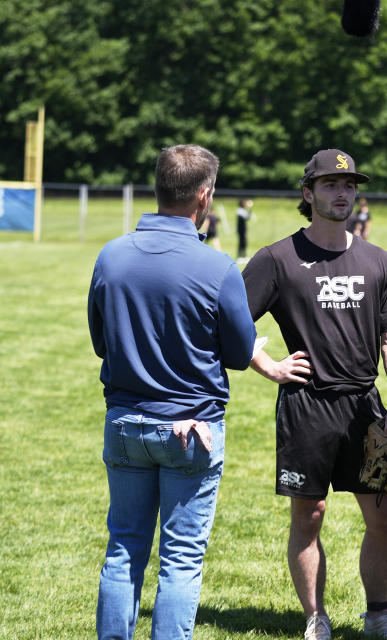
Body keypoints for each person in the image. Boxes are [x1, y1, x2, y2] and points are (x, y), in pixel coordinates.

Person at [241, 149, 387, 640]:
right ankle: (315, 618)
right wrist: (269, 365)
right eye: (330, 185)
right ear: (308, 193)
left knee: (384, 517)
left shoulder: (378, 261)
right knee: (310, 513)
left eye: (349, 185)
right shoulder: (278, 259)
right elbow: (230, 323)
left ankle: (378, 617)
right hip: (306, 407)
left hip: (365, 407)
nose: (342, 193)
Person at [88, 144, 257, 639]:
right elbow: (240, 351)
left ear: (157, 187)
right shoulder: (218, 267)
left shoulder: (111, 256)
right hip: (191, 427)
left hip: (125, 420)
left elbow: (102, 342)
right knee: (180, 559)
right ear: (204, 197)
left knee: (123, 549)